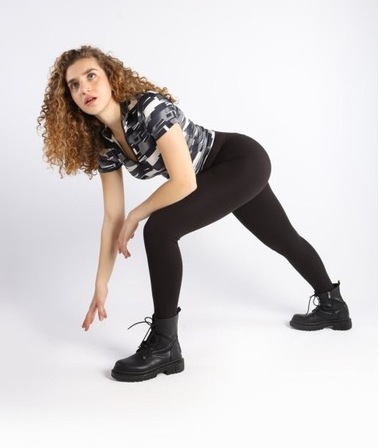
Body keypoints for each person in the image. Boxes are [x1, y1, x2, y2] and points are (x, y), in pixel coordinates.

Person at [37, 45, 352, 383]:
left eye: (91, 76)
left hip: (239, 161)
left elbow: (185, 181)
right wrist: (101, 283)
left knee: (160, 229)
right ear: (69, 98)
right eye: (74, 85)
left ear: (111, 78)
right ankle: (332, 305)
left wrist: (138, 213)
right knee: (283, 238)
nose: (84, 88)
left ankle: (164, 346)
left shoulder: (148, 107)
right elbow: (113, 217)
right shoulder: (106, 145)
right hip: (215, 178)